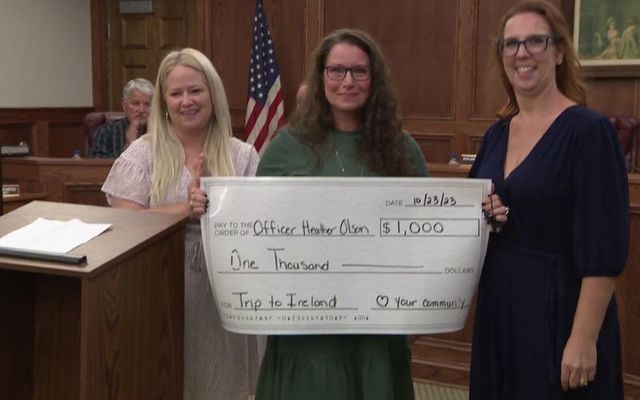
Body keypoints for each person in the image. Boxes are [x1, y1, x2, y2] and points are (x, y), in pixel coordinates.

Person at [251, 28, 427, 400]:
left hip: (377, 322)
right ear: (321, 78)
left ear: (374, 78)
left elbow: (422, 239)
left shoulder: (403, 149)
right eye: (336, 71)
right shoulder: (286, 148)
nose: (348, 81)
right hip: (307, 324)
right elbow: (258, 232)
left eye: (359, 71)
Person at [469, 1, 629, 399]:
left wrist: (583, 339)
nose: (522, 53)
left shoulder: (589, 133)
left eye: (535, 41)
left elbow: (604, 250)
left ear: (559, 52)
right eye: (511, 44)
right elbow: (476, 215)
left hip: (560, 312)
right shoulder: (496, 135)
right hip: (501, 309)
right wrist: (493, 216)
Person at [101, 48, 262, 400]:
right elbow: (123, 227)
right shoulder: (142, 153)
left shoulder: (242, 155)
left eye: (195, 90)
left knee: (225, 384)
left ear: (212, 94)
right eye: (176, 93)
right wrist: (184, 209)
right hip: (158, 285)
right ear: (164, 101)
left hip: (226, 290)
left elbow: (259, 230)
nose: (186, 101)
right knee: (164, 378)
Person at [90, 78, 154, 158]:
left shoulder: (164, 132)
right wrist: (129, 144)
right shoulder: (106, 133)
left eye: (147, 104)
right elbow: (99, 169)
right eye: (135, 103)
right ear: (124, 105)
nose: (141, 110)